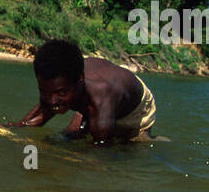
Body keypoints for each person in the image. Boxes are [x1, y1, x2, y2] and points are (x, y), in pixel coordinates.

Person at [12, 39, 157, 143]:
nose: (51, 101)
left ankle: (152, 139)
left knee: (127, 142)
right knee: (70, 134)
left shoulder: (101, 98)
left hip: (136, 108)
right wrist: (11, 128)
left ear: (80, 80)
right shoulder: (58, 82)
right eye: (44, 92)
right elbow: (38, 116)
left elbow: (100, 151)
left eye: (61, 93)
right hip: (91, 90)